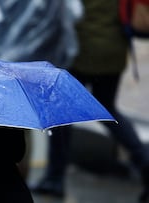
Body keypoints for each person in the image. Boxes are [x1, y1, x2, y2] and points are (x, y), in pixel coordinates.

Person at [30, 0, 149, 201]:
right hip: (114, 50)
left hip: (83, 51)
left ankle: (54, 178)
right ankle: (144, 160)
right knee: (107, 107)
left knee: (61, 111)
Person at [0, 0, 82, 180]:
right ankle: (19, 182)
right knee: (23, 125)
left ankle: (10, 180)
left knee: (10, 125)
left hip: (6, 63)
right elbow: (74, 14)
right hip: (39, 63)